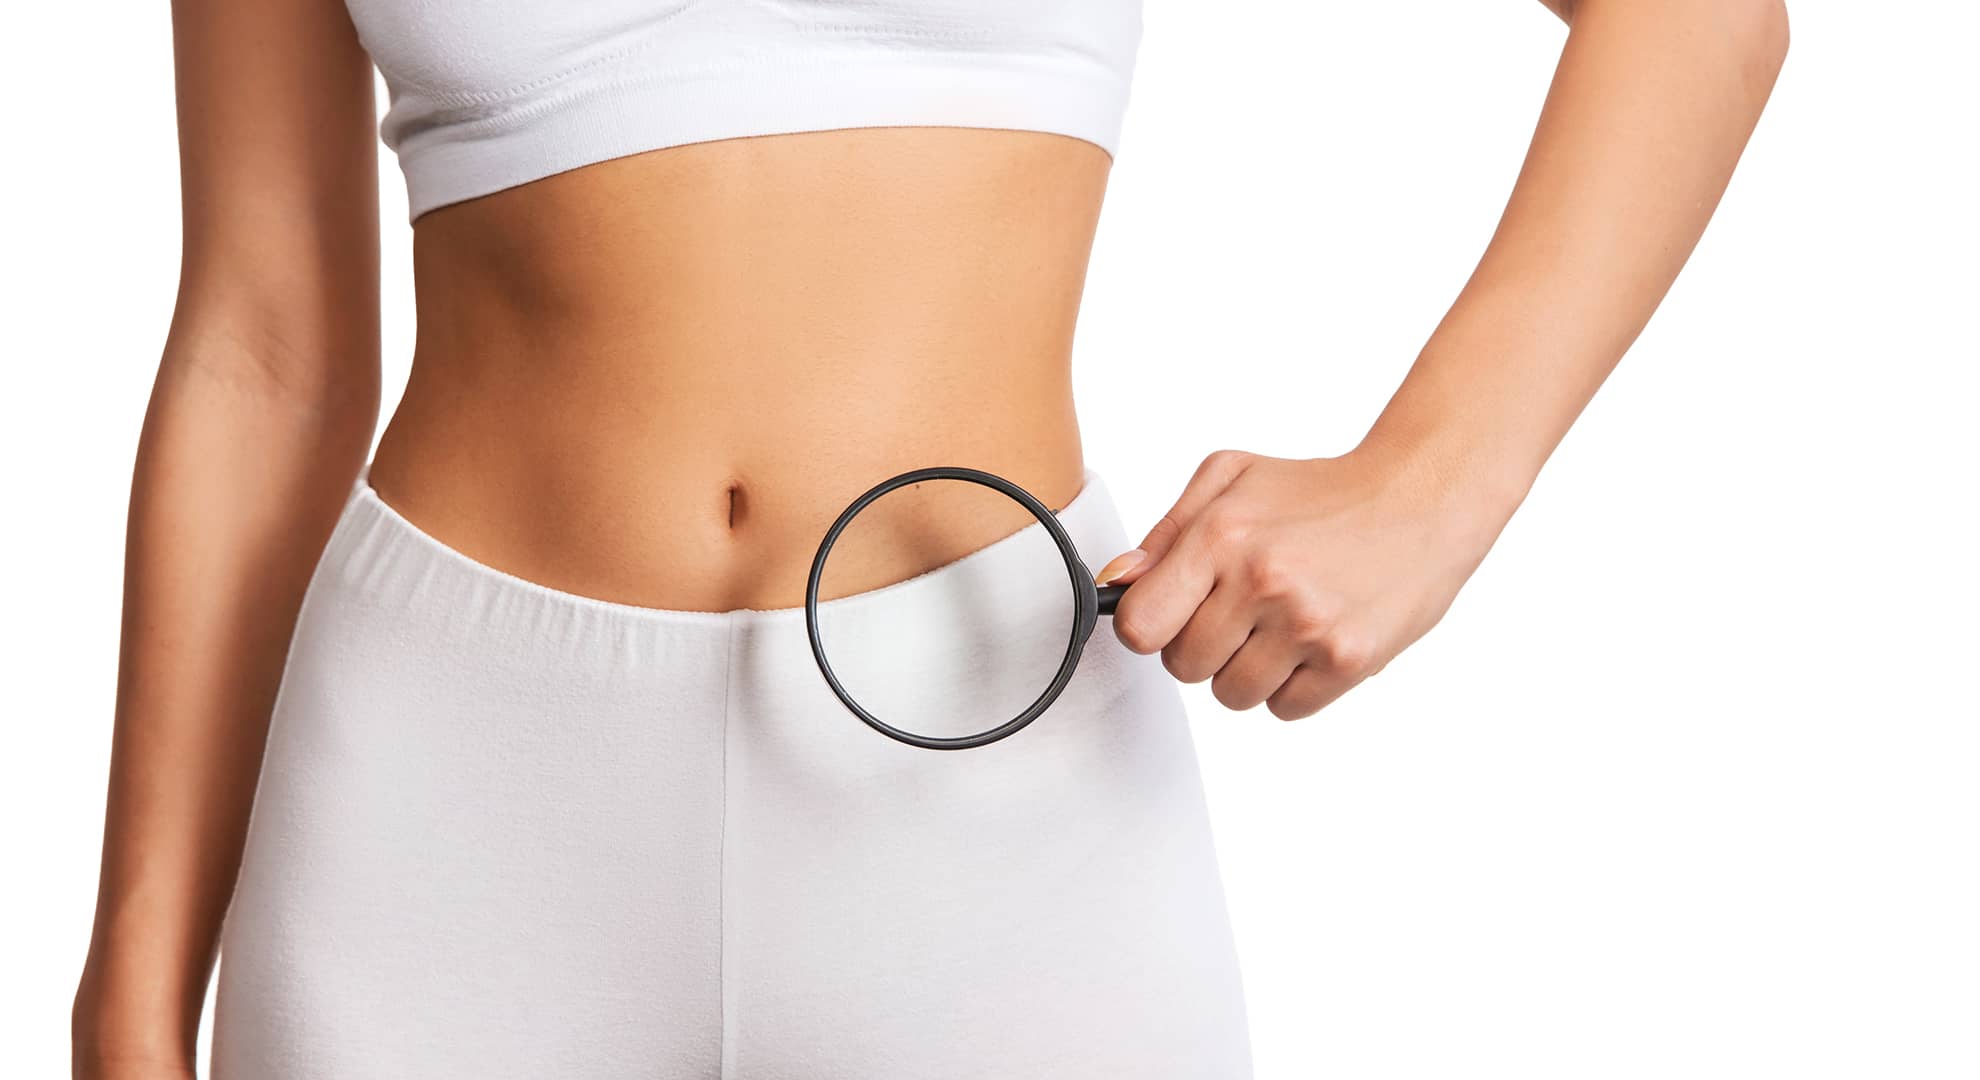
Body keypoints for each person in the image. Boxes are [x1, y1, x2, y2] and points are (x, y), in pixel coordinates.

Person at [71, 0, 1788, 1076]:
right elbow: (266, 350)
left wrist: (1433, 487)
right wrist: (128, 1011)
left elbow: (1699, 16)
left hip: (992, 767)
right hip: (443, 805)